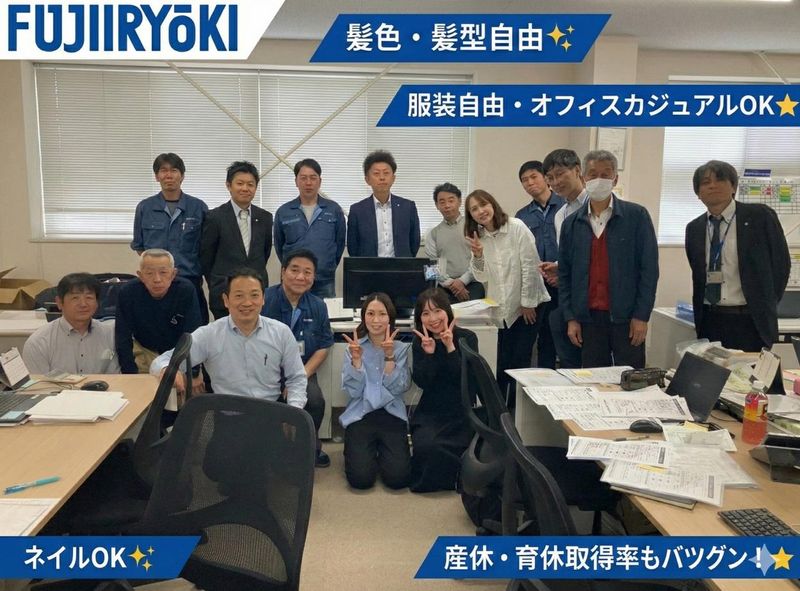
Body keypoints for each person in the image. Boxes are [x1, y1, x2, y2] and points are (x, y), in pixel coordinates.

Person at [150, 268, 307, 410]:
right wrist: (168, 370)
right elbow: (160, 361)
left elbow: (297, 378)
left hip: (270, 411)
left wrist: (294, 412)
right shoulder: (209, 334)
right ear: (226, 300)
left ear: (263, 298)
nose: (247, 303)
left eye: (254, 295)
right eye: (239, 296)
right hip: (226, 414)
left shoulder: (281, 332)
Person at [558, 150, 659, 368]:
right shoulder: (572, 224)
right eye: (593, 174)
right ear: (583, 177)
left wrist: (642, 316)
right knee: (594, 379)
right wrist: (571, 317)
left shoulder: (636, 216)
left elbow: (649, 270)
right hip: (588, 319)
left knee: (631, 378)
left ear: (615, 179)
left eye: (606, 174)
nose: (599, 179)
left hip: (627, 317)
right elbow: (565, 275)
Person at [685, 160, 790, 351]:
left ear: (733, 186)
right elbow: (697, 273)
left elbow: (781, 265)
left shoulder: (760, 216)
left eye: (720, 180)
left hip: (751, 320)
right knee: (712, 370)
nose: (713, 186)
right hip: (710, 320)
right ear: (698, 193)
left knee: (754, 370)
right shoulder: (694, 228)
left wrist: (765, 302)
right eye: (706, 182)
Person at [464, 190, 550, 399]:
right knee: (502, 360)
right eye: (474, 209)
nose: (480, 211)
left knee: (521, 359)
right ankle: (501, 407)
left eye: (483, 204)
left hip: (528, 304)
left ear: (492, 204)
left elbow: (530, 265)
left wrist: (527, 303)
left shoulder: (516, 227)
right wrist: (478, 255)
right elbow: (482, 276)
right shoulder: (479, 237)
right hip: (502, 307)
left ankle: (519, 407)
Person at [262, 249, 334, 468]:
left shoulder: (318, 306)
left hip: (302, 369)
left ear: (313, 277)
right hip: (266, 369)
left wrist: (301, 375)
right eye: (294, 270)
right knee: (265, 403)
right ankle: (274, 449)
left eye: (307, 272)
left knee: (315, 400)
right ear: (283, 272)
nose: (301, 277)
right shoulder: (264, 299)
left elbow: (324, 346)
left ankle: (309, 449)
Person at [409, 288, 477, 493]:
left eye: (437, 311)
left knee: (463, 447)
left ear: (447, 311)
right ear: (420, 319)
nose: (433, 319)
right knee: (427, 447)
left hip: (461, 410)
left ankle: (459, 480)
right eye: (426, 313)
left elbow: (467, 381)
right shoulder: (420, 341)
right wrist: (429, 354)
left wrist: (450, 348)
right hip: (431, 411)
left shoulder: (467, 338)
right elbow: (423, 382)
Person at [340, 293, 411, 490]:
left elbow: (400, 387)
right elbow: (354, 392)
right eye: (370, 313)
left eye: (382, 314)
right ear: (363, 317)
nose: (376, 320)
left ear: (390, 317)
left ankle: (380, 451)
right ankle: (363, 451)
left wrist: (389, 357)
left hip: (391, 412)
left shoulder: (401, 348)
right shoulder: (353, 348)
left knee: (398, 479)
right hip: (361, 413)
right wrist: (356, 361)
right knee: (360, 480)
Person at [131, 153, 209, 324]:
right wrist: (158, 270)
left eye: (174, 170)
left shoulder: (198, 207)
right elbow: (139, 246)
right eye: (163, 170)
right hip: (156, 283)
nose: (168, 175)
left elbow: (207, 247)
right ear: (156, 176)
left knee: (195, 329)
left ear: (182, 176)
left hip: (189, 279)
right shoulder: (145, 207)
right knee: (155, 327)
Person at [200, 161, 273, 320]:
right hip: (224, 294)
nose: (245, 188)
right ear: (229, 185)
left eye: (250, 184)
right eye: (240, 183)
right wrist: (217, 283)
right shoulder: (214, 217)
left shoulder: (265, 218)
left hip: (255, 295)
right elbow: (206, 258)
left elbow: (265, 253)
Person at [115, 249, 203, 375]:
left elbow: (193, 333)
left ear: (173, 274)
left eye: (163, 272)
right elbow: (123, 336)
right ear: (140, 275)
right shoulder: (128, 292)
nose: (157, 279)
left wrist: (193, 372)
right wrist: (129, 373)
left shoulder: (185, 290)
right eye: (149, 273)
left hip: (177, 352)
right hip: (144, 349)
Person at [516, 161, 566, 369]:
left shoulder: (566, 206)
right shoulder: (522, 216)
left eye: (533, 177)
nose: (529, 183)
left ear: (546, 178)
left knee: (562, 336)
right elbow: (521, 254)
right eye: (524, 180)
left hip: (563, 282)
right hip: (536, 285)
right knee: (539, 338)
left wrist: (560, 271)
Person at [541, 149, 588, 369]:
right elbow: (569, 254)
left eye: (560, 174)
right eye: (550, 178)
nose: (555, 182)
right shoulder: (561, 215)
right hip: (573, 294)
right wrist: (558, 267)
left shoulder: (596, 204)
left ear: (577, 170)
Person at [273, 159, 346, 298]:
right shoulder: (284, 211)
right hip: (293, 280)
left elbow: (339, 244)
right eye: (303, 178)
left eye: (313, 178)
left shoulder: (333, 209)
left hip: (324, 280)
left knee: (324, 312)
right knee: (290, 312)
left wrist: (327, 266)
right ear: (296, 181)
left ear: (320, 181)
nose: (308, 183)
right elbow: (279, 246)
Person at [23, 273, 119, 375]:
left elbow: (116, 378)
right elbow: (40, 384)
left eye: (89, 297)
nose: (83, 304)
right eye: (75, 298)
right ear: (59, 302)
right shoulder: (39, 343)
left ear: (97, 303)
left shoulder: (110, 335)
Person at [346, 150, 421, 257]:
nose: (382, 178)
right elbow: (353, 247)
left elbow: (414, 243)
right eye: (376, 173)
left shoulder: (408, 207)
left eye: (386, 173)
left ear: (393, 178)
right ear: (367, 179)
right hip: (369, 266)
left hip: (401, 266)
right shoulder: (357, 210)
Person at [425, 183, 485, 302]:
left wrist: (462, 281)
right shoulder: (433, 233)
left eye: (451, 200)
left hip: (473, 284)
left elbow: (482, 259)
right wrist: (451, 283)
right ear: (437, 205)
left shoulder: (475, 227)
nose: (447, 205)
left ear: (460, 201)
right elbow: (431, 267)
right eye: (442, 202)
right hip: (444, 287)